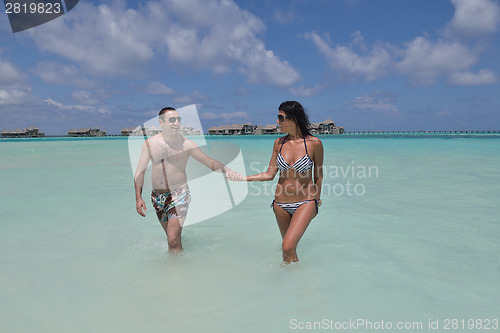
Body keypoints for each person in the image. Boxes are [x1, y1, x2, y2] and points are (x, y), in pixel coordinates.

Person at [134, 107, 241, 253]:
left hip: (179, 195)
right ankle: (180, 265)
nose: (176, 123)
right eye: (172, 120)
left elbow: (209, 162)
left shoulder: (187, 144)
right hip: (157, 198)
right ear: (161, 122)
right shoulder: (149, 144)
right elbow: (140, 172)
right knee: (173, 239)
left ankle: (174, 272)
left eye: (179, 119)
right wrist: (138, 197)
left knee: (172, 240)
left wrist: (227, 171)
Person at [238, 101, 323, 263]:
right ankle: (291, 283)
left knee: (287, 246)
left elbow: (319, 175)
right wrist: (243, 178)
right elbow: (270, 174)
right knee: (288, 250)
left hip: (305, 202)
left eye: (280, 117)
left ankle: (301, 284)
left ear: (294, 119)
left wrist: (316, 202)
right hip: (280, 204)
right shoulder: (278, 143)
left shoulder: (314, 144)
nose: (277, 122)